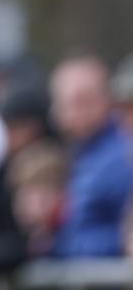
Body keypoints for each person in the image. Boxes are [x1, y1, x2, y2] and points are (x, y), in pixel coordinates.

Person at [49, 54, 131, 257]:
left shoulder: (119, 156)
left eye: (85, 100)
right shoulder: (76, 152)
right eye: (67, 102)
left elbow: (121, 237)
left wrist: (58, 245)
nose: (75, 111)